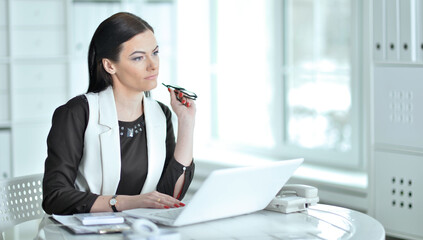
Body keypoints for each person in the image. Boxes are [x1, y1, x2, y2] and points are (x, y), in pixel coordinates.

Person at [42, 12, 196, 215]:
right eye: (139, 57)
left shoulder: (161, 113)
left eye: (155, 53)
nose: (153, 64)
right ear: (109, 65)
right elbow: (55, 197)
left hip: (137, 230)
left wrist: (186, 121)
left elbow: (168, 197)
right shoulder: (76, 113)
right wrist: (126, 202)